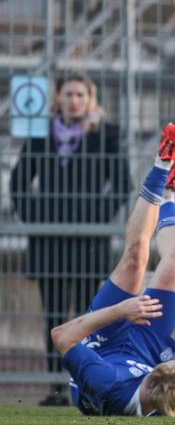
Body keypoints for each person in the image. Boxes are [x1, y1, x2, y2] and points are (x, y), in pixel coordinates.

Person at [51, 123, 175, 416]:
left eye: (174, 360)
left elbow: (61, 337)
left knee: (136, 259)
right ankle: (168, 192)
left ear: (156, 373)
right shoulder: (173, 400)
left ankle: (161, 163)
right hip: (144, 348)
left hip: (101, 343)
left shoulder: (107, 384)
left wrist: (121, 310)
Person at [10, 73, 131, 406]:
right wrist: (37, 217)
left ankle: (87, 386)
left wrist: (94, 218)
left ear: (89, 99)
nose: (74, 100)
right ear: (58, 99)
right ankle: (56, 386)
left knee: (89, 314)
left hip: (89, 240)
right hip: (49, 238)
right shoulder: (40, 136)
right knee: (53, 314)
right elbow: (19, 181)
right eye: (68, 94)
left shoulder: (107, 134)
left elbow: (121, 184)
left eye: (80, 94)